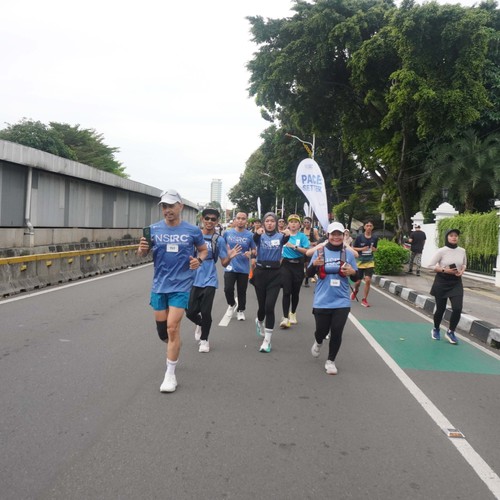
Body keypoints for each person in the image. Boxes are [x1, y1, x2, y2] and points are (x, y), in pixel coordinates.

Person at [137, 189, 208, 393]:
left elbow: (203, 250)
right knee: (163, 333)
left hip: (181, 285)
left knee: (172, 327)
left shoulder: (192, 231)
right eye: (164, 206)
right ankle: (174, 345)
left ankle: (170, 375)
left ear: (180, 206)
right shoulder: (153, 230)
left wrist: (198, 260)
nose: (168, 210)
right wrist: (141, 249)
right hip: (160, 286)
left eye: (171, 205)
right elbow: (142, 254)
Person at [186, 208, 241, 353]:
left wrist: (230, 257)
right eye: (207, 218)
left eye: (213, 219)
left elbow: (224, 263)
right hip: (192, 278)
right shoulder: (193, 236)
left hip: (209, 278)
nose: (209, 221)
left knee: (206, 311)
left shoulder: (219, 240)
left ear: (217, 222)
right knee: (190, 312)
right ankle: (200, 324)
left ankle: (204, 340)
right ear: (202, 219)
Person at [307, 222, 359, 375]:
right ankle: (318, 341)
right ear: (328, 235)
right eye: (333, 234)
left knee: (337, 331)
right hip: (322, 299)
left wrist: (352, 272)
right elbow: (308, 274)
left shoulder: (348, 254)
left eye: (339, 234)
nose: (336, 237)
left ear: (343, 236)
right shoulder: (320, 252)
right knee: (321, 331)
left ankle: (331, 361)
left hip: (341, 300)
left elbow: (357, 276)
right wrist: (314, 265)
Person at [253, 212, 289, 352]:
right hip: (260, 273)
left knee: (270, 307)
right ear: (263, 223)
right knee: (262, 307)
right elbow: (255, 238)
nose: (269, 223)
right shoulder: (259, 236)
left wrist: (287, 233)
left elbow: (287, 237)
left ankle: (267, 341)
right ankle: (259, 321)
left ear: (276, 223)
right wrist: (257, 232)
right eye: (267, 221)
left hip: (275, 274)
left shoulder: (280, 236)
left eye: (272, 221)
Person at [428, 229, 467, 344]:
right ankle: (436, 329)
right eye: (451, 235)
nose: (454, 237)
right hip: (442, 282)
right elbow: (430, 265)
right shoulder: (441, 251)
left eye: (456, 236)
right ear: (447, 237)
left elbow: (464, 264)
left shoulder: (462, 251)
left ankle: (451, 331)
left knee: (457, 308)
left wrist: (462, 271)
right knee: (441, 309)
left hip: (456, 282)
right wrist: (445, 270)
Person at [223, 212, 256, 321]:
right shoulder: (227, 233)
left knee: (242, 291)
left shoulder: (250, 235)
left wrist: (250, 254)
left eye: (243, 218)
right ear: (235, 220)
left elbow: (254, 250)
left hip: (243, 268)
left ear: (246, 221)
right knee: (228, 289)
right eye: (238, 218)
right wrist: (227, 252)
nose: (240, 220)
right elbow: (222, 246)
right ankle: (232, 304)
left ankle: (240, 310)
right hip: (230, 266)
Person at [279, 214, 310, 328]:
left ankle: (292, 313)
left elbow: (307, 251)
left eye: (295, 222)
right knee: (286, 291)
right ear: (288, 224)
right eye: (291, 222)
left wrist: (294, 246)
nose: (293, 224)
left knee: (295, 292)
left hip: (298, 265)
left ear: (299, 225)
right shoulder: (282, 235)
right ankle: (285, 318)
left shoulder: (302, 236)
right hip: (286, 265)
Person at [351, 220, 378, 307]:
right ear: (364, 227)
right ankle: (355, 290)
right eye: (367, 225)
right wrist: (362, 249)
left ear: (372, 227)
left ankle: (364, 299)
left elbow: (375, 249)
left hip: (370, 261)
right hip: (360, 262)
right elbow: (353, 248)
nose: (369, 227)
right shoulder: (359, 237)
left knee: (368, 280)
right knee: (358, 282)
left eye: (370, 226)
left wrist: (374, 249)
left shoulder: (375, 238)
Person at [303, 216, 319, 287]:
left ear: (310, 223)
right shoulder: (301, 230)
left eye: (308, 222)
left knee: (307, 264)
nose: (306, 224)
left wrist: (313, 243)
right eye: (305, 222)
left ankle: (306, 280)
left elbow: (318, 240)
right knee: (302, 264)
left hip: (310, 250)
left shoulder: (314, 230)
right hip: (302, 249)